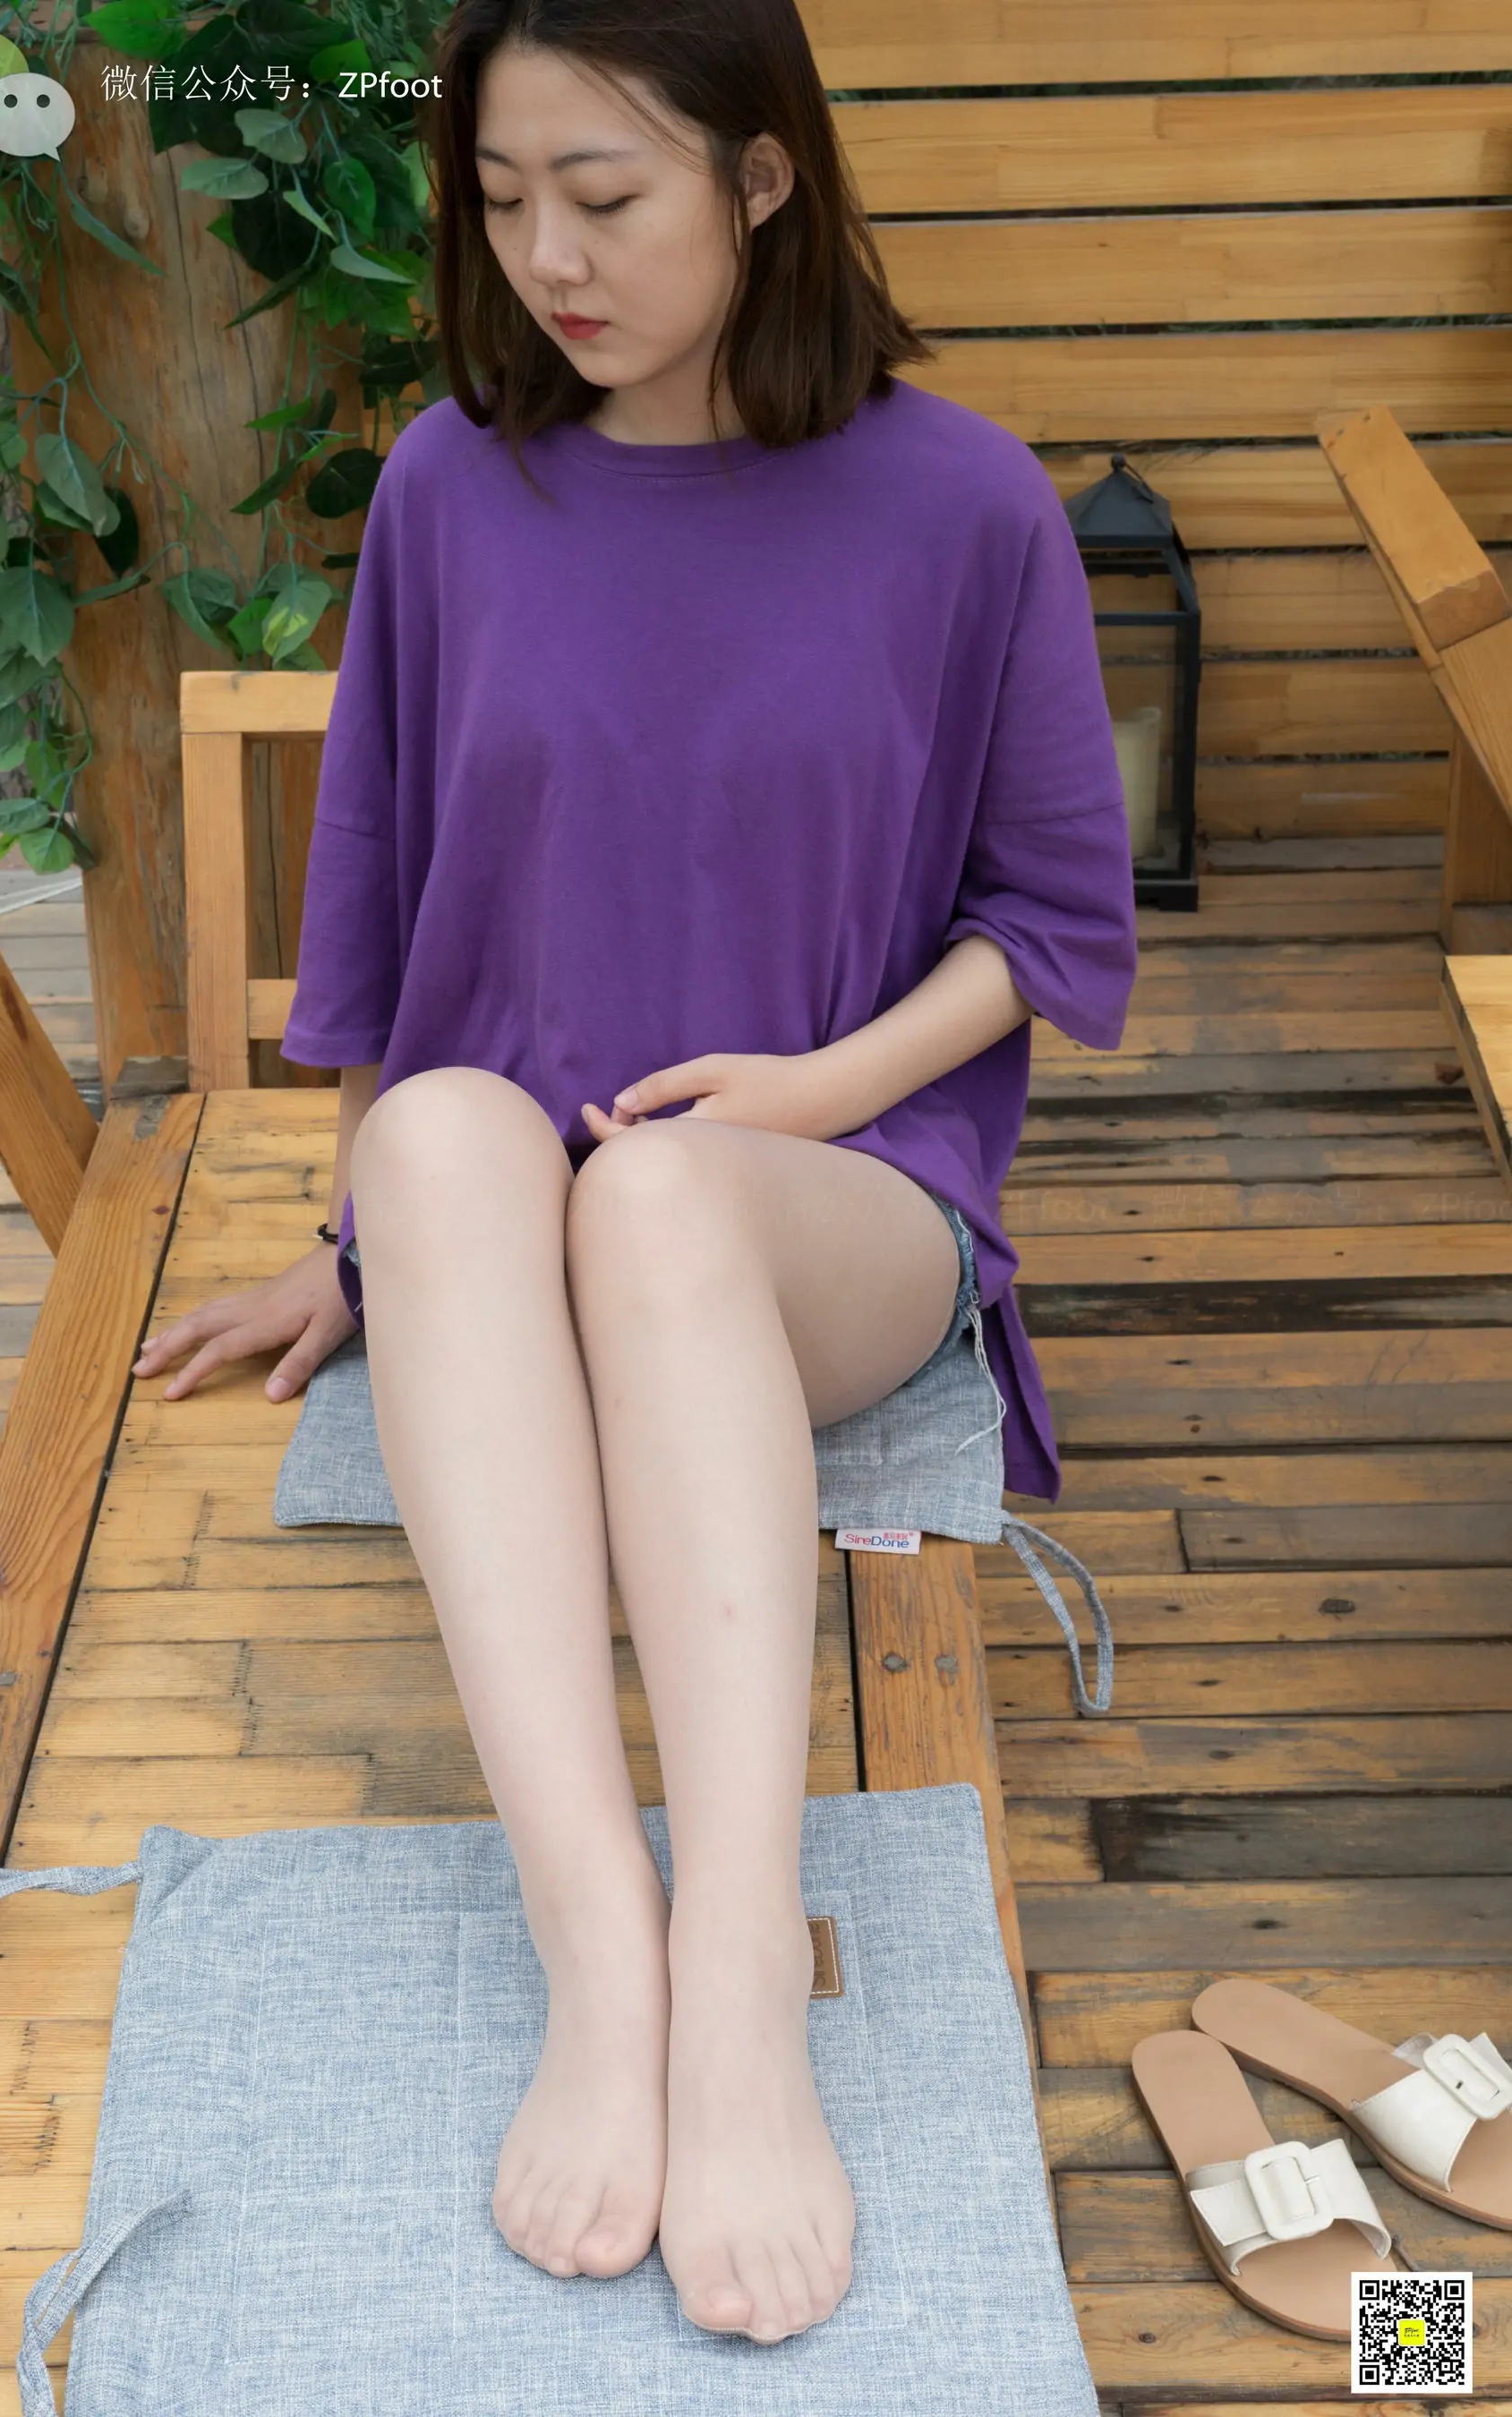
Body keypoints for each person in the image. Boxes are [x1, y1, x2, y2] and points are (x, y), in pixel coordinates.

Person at [132, 0, 1138, 2352]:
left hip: (825, 1199)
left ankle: (744, 1972)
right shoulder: (447, 495)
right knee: (442, 1130)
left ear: (763, 177)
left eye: (604, 196)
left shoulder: (967, 503)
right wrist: (367, 1253)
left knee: (663, 1196)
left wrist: (804, 1092)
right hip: (521, 1194)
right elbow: (384, 934)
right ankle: (605, 1952)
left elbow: (1048, 927)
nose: (548, 259)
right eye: (502, 202)